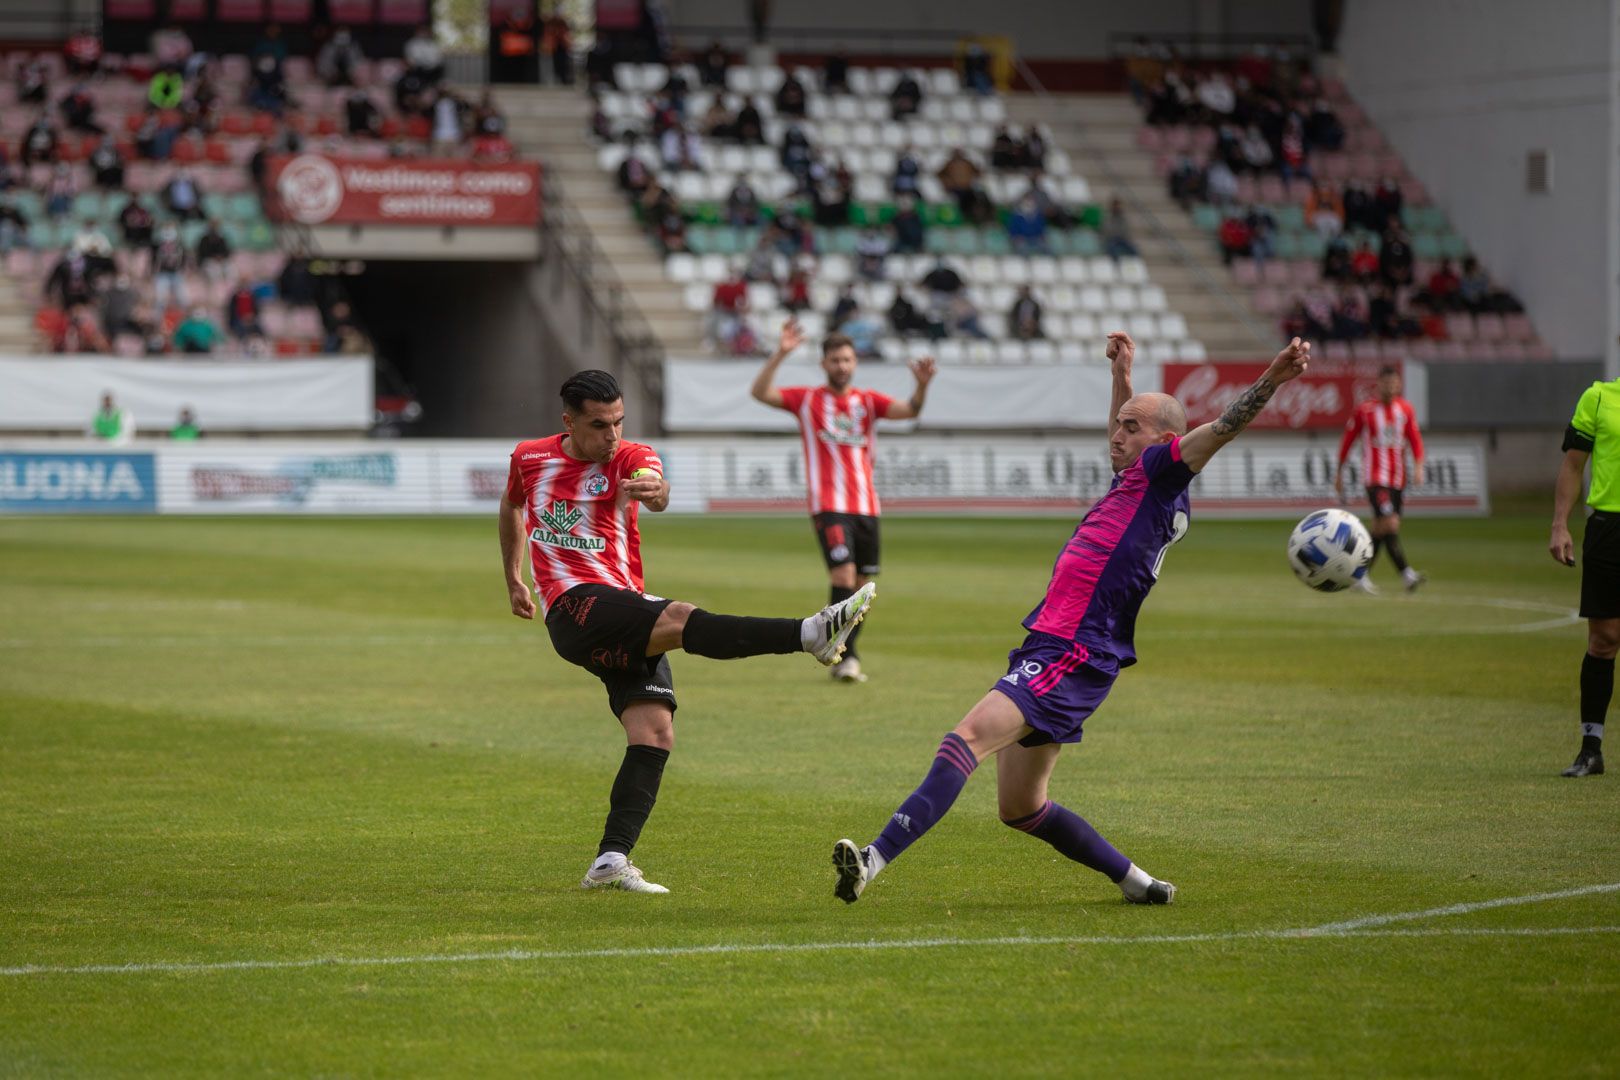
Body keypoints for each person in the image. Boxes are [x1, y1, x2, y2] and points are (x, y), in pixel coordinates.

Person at [829, 333, 1314, 905]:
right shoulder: (1138, 478)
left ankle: (873, 858)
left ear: (1165, 442)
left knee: (965, 738)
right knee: (1020, 807)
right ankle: (1138, 884)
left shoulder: (1163, 471)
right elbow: (1130, 432)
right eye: (1119, 424)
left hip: (1073, 650)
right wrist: (1122, 380)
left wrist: (1273, 379)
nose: (1116, 433)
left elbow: (1224, 426)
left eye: (1130, 428)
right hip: (1057, 644)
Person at [500, 370, 876, 893]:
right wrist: (514, 577)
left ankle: (610, 860)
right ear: (568, 421)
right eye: (598, 425)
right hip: (573, 605)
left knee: (654, 731)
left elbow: (657, 488)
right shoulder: (531, 458)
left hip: (621, 606)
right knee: (678, 618)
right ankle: (811, 634)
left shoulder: (630, 457)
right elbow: (513, 503)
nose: (612, 435)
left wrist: (656, 491)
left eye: (618, 421)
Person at [749, 321, 936, 683]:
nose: (842, 366)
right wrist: (782, 353)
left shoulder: (867, 402)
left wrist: (922, 386)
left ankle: (843, 652)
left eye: (847, 359)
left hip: (867, 507)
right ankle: (843, 656)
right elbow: (760, 392)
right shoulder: (807, 400)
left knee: (863, 587)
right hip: (829, 504)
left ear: (855, 362)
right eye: (835, 359)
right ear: (824, 364)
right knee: (843, 575)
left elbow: (910, 410)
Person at [1550, 378, 1620, 778]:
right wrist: (1559, 524)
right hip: (1608, 531)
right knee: (1603, 639)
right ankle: (1591, 750)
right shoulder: (1598, 397)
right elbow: (1573, 465)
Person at [1334, 365, 1426, 593]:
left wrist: (1418, 467)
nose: (1391, 387)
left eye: (1395, 383)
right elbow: (1348, 440)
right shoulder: (1365, 411)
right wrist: (1339, 471)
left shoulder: (1405, 409)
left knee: (1379, 529)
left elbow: (1414, 439)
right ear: (1379, 384)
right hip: (1375, 477)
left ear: (1399, 385)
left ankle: (1359, 576)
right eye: (1387, 383)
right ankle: (1407, 574)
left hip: (1397, 479)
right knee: (1390, 524)